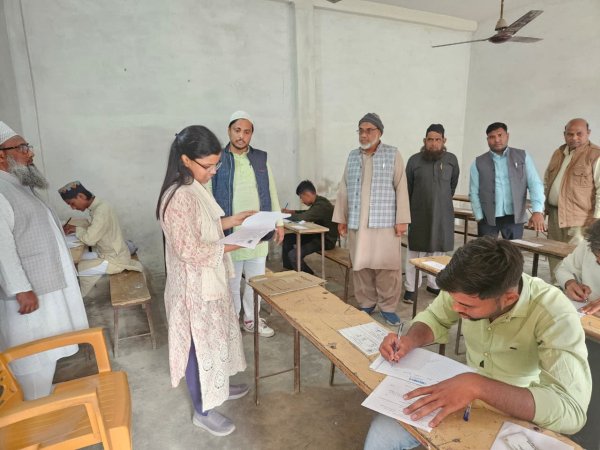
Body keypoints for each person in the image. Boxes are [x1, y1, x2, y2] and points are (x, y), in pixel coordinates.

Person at [364, 237, 591, 450]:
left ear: (509, 298)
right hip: (463, 389)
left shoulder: (554, 312)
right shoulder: (466, 289)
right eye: (454, 301)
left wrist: (478, 386)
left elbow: (571, 409)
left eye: (467, 306)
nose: (456, 308)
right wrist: (410, 340)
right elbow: (435, 317)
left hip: (517, 407)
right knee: (381, 435)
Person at [156, 125, 253, 436]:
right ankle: (202, 410)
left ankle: (218, 385)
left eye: (216, 165)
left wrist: (233, 221)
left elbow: (204, 227)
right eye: (208, 166)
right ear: (186, 160)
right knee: (198, 349)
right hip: (192, 290)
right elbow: (189, 249)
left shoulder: (194, 187)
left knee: (215, 342)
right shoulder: (178, 197)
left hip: (208, 283)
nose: (213, 172)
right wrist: (236, 243)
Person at [0, 121, 89, 400]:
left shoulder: (19, 186)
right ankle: (33, 409)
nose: (30, 153)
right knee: (32, 356)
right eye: (22, 148)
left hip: (44, 285)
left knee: (47, 351)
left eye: (28, 146)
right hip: (29, 294)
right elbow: (3, 247)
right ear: (1, 155)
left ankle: (41, 401)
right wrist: (20, 289)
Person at [209, 111, 283, 338]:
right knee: (231, 283)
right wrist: (212, 227)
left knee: (256, 282)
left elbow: (271, 190)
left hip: (258, 232)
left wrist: (279, 222)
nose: (241, 136)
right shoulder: (217, 159)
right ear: (229, 131)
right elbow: (208, 194)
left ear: (251, 134)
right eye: (237, 130)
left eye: (246, 132)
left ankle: (252, 320)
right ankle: (232, 323)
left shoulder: (260, 159)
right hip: (230, 233)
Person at [333, 113, 410, 326]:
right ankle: (366, 302)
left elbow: (401, 187)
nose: (364, 135)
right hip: (358, 222)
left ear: (380, 132)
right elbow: (343, 188)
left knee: (387, 267)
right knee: (361, 265)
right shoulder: (352, 156)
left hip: (385, 223)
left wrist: (402, 219)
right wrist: (341, 218)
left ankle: (388, 306)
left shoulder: (392, 154)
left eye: (369, 130)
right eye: (361, 130)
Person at [403, 124, 459, 304]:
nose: (433, 143)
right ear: (424, 141)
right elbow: (407, 188)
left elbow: (452, 186)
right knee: (414, 252)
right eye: (430, 140)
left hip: (442, 215)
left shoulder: (451, 160)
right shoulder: (414, 161)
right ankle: (411, 288)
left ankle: (434, 284)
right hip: (418, 214)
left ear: (444, 141)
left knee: (437, 250)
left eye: (437, 140)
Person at [59, 181, 143, 297]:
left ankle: (79, 297)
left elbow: (89, 240)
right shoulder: (100, 206)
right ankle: (80, 295)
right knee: (79, 259)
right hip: (111, 253)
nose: (73, 208)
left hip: (116, 259)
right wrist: (75, 228)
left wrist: (77, 230)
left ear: (81, 196)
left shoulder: (101, 211)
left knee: (79, 268)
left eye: (72, 203)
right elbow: (95, 228)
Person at [544, 118, 600, 281]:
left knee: (574, 258)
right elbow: (546, 181)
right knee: (553, 254)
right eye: (570, 134)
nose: (574, 138)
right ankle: (556, 287)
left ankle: (574, 289)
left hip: (580, 219)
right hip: (555, 215)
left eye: (579, 134)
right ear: (564, 134)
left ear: (588, 133)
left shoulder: (595, 155)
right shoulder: (559, 153)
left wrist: (596, 219)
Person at [469, 122, 545, 239]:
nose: (497, 140)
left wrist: (537, 211)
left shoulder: (523, 157)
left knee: (513, 249)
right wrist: (479, 216)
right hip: (487, 217)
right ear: (487, 140)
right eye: (492, 137)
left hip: (514, 217)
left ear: (507, 136)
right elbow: (474, 192)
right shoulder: (478, 162)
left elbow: (535, 184)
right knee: (486, 249)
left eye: (500, 135)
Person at [281, 180, 338, 274]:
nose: (301, 201)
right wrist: (292, 212)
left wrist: (282, 216)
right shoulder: (318, 202)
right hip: (316, 235)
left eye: (301, 197)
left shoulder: (321, 205)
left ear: (307, 194)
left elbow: (304, 217)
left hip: (326, 240)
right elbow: (308, 213)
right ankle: (289, 270)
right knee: (287, 239)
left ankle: (311, 278)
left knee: (294, 255)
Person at [556, 218, 600, 315]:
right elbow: (564, 269)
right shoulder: (589, 243)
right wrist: (569, 283)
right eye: (597, 257)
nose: (597, 262)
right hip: (584, 310)